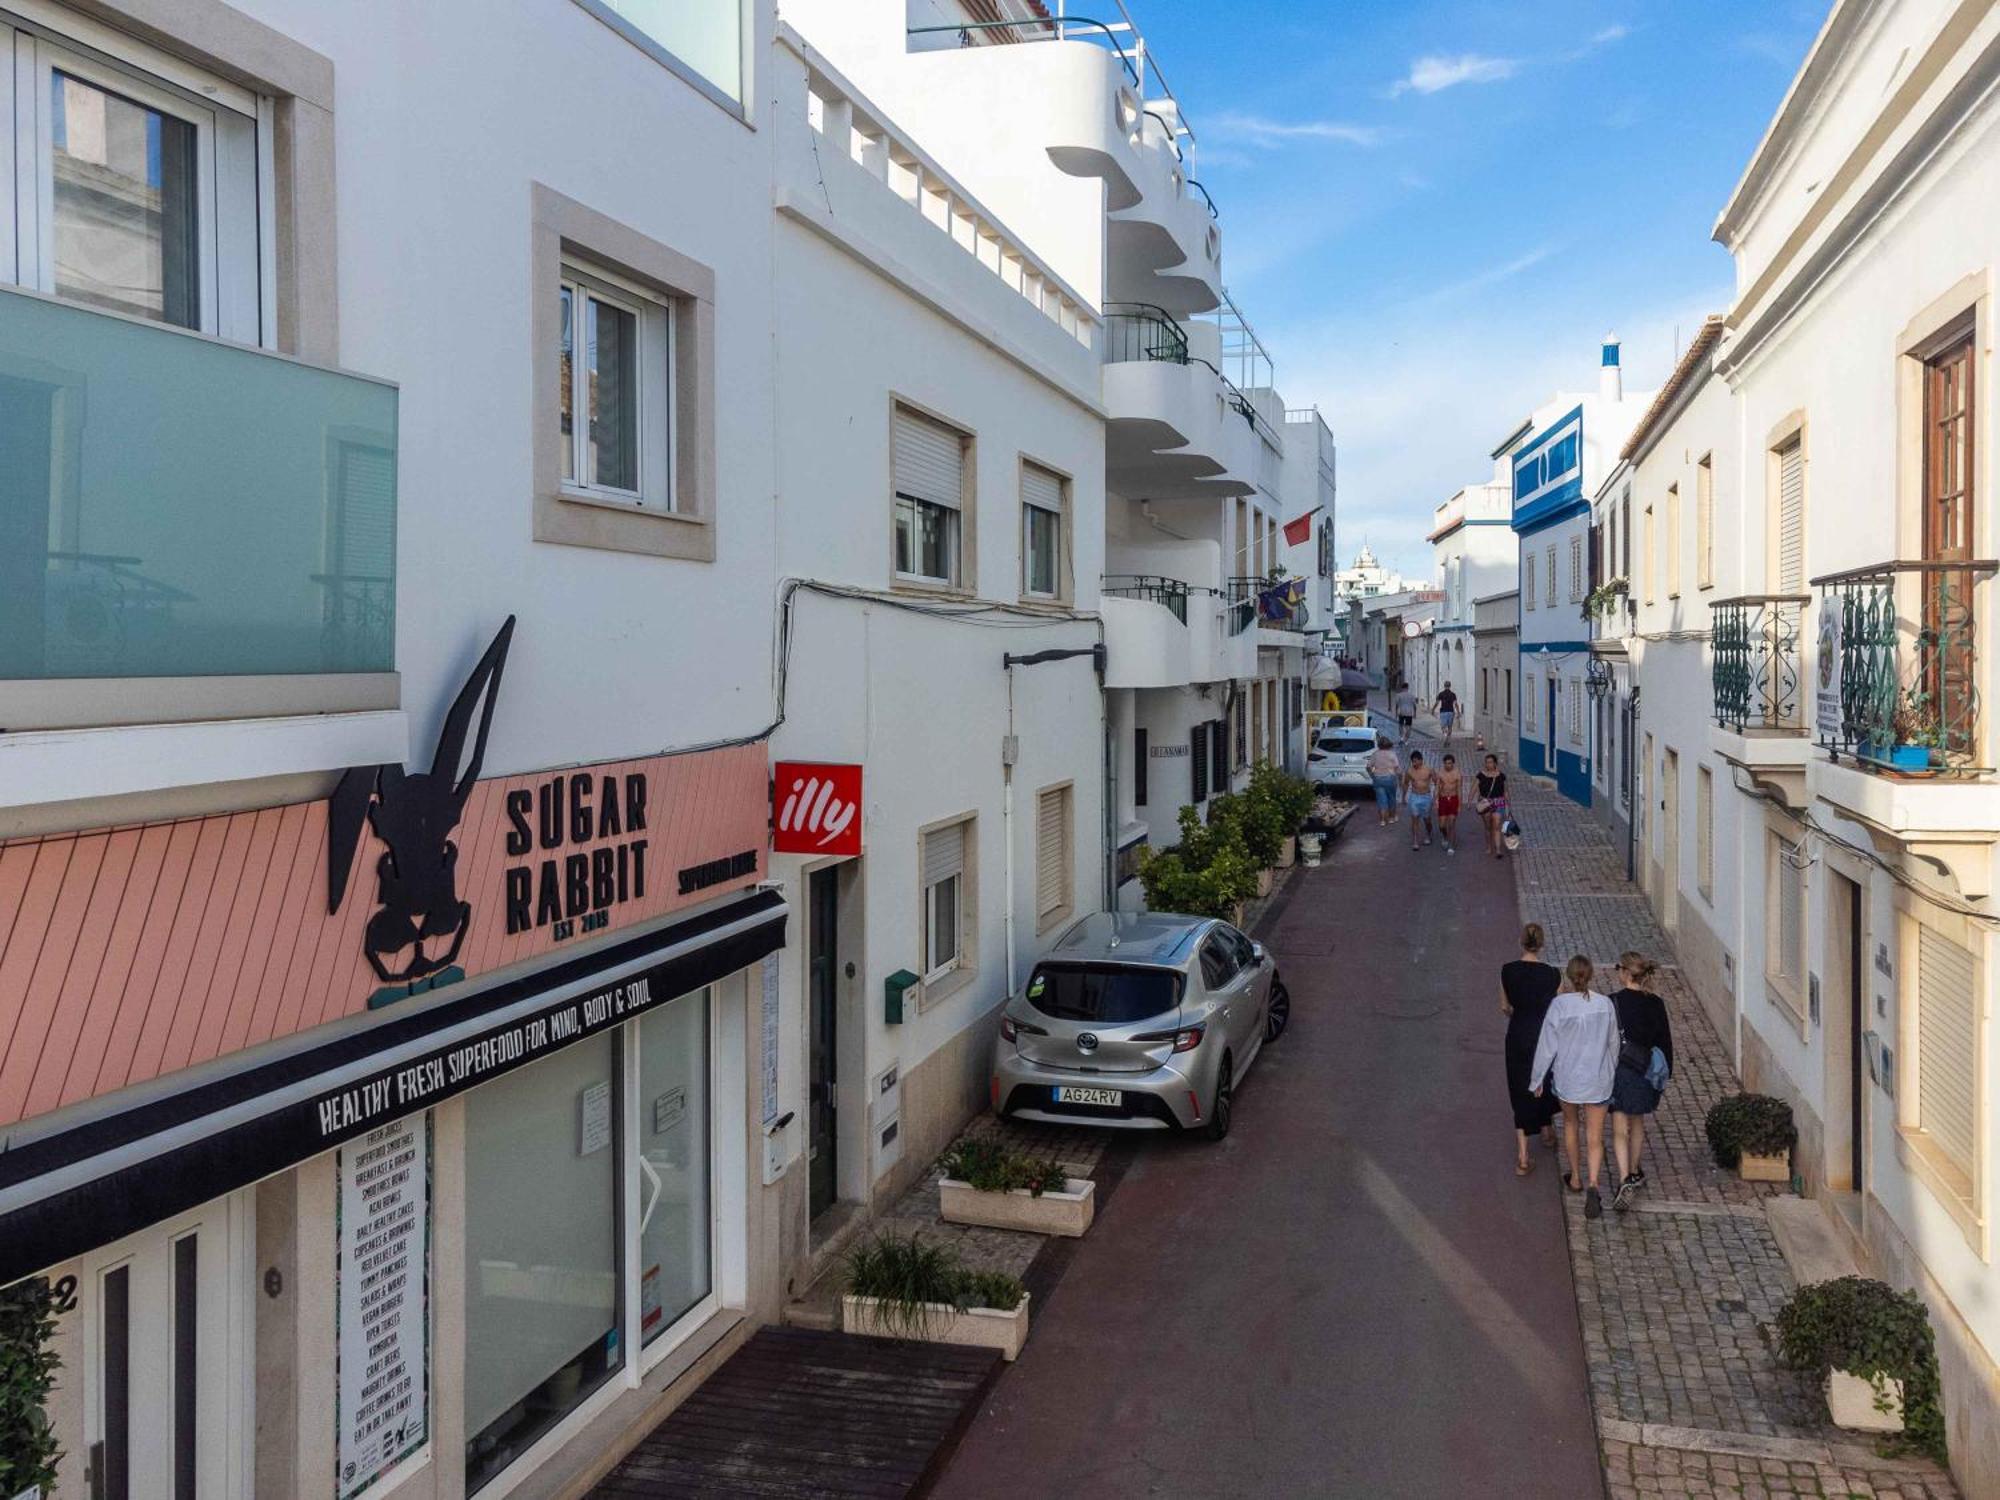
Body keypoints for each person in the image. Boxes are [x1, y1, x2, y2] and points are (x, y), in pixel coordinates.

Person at [1530, 955, 1619, 1219]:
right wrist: (1610, 1070)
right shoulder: (1605, 1004)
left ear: (1568, 976)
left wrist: (1537, 1079)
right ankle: (1594, 1182)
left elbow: (1547, 1045)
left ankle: (1576, 1177)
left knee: (1570, 1125)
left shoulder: (1559, 1005)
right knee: (1595, 1136)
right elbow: (1613, 1043)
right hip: (1597, 1079)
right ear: (1591, 975)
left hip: (1568, 1078)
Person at [1610, 953, 1675, 1212]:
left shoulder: (1612, 1002)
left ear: (1625, 973)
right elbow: (1665, 1041)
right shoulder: (1656, 1003)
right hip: (1645, 1069)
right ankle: (1635, 1170)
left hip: (1620, 1069)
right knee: (1637, 1122)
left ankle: (1624, 1177)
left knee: (1618, 1127)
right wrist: (1664, 1073)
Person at [1501, 924, 1562, 1175]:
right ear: (1542, 945)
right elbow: (1559, 1010)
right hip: (1545, 1035)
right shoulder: (1553, 975)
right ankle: (1547, 1131)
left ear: (1521, 942)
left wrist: (1519, 1012)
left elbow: (1505, 1007)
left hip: (1518, 1034)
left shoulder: (1508, 971)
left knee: (1519, 1086)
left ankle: (1523, 1155)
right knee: (1545, 1081)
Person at [1475, 754, 1510, 860]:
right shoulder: (1481, 775)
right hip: (1486, 803)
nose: (1488, 764)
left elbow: (1505, 791)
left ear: (1495, 763)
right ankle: (1489, 846)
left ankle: (1498, 849)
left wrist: (1508, 804)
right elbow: (1474, 787)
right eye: (1486, 762)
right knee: (1488, 827)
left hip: (1498, 803)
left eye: (1490, 762)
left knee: (1496, 825)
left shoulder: (1501, 776)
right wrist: (1469, 800)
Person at [1402, 750, 1435, 851]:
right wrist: (1403, 797)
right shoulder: (1410, 771)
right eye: (1412, 761)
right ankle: (1415, 841)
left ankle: (1428, 834)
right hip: (1415, 796)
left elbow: (1437, 782)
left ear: (1421, 760)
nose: (1414, 763)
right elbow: (1406, 783)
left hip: (1426, 796)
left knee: (1427, 820)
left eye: (1416, 761)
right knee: (1415, 819)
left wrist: (1436, 797)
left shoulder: (1429, 769)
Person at [1366, 735, 1400, 826]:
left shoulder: (1375, 754)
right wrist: (1397, 777)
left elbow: (1368, 767)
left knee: (1382, 800)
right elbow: (1396, 767)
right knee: (1391, 798)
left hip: (1378, 779)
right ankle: (1392, 818)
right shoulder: (1392, 754)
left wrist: (1372, 775)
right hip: (1390, 778)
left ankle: (1382, 821)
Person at [1436, 753, 1462, 855]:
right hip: (1443, 799)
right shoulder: (1440, 774)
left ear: (1453, 764)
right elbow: (1437, 787)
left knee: (1451, 823)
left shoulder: (1457, 774)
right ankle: (1445, 836)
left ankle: (1451, 845)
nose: (1448, 765)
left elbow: (1459, 789)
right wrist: (1436, 800)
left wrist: (1460, 805)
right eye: (1446, 764)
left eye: (1450, 763)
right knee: (1441, 825)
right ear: (1444, 764)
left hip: (1453, 798)